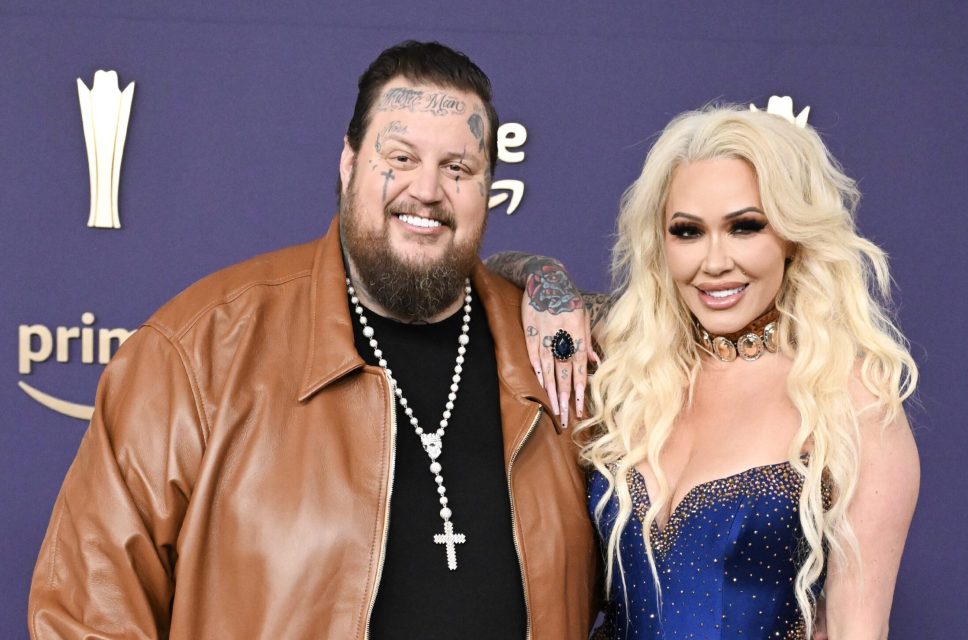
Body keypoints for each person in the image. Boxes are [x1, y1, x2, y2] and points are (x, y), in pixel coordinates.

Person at [28, 41, 597, 640]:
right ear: (349, 163)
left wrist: (545, 275)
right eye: (400, 158)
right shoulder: (198, 351)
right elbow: (87, 616)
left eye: (459, 169)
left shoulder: (556, 360)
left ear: (489, 188)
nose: (428, 190)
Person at [493, 103, 919, 638]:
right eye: (688, 232)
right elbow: (493, 274)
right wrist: (547, 281)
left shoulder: (852, 399)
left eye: (744, 227)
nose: (714, 262)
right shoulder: (629, 361)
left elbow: (859, 628)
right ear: (661, 243)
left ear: (791, 236)